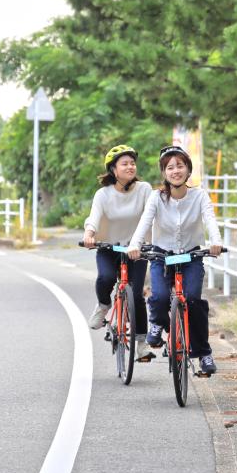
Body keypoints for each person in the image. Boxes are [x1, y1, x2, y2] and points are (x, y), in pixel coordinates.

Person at [128, 144, 223, 375]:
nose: (175, 171)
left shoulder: (199, 196)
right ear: (164, 173)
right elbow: (145, 222)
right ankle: (158, 323)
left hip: (191, 256)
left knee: (192, 300)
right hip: (163, 256)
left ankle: (203, 354)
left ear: (188, 170)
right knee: (159, 297)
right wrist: (135, 245)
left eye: (180, 166)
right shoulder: (156, 197)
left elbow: (210, 219)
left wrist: (215, 242)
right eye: (170, 167)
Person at [83, 144, 154, 361]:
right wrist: (89, 233)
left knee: (136, 295)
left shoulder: (144, 189)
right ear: (113, 169)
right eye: (125, 164)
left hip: (136, 249)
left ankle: (141, 344)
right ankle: (104, 306)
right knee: (105, 278)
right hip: (109, 247)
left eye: (132, 163)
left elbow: (152, 215)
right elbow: (94, 216)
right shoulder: (103, 194)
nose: (130, 167)